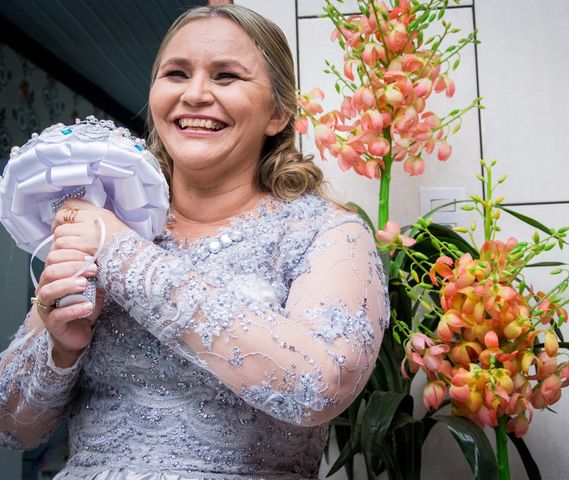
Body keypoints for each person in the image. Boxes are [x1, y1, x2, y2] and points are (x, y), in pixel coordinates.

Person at [0, 4, 388, 479]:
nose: (195, 94)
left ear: (279, 112)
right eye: (176, 73)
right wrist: (61, 350)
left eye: (226, 77)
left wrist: (122, 252)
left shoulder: (326, 233)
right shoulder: (110, 220)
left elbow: (318, 386)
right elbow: (12, 430)